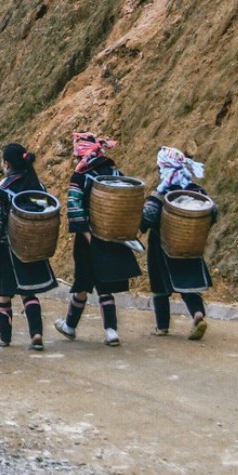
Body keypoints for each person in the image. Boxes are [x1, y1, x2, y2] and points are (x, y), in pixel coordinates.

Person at [54, 132, 142, 346]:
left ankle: (70, 326)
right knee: (105, 284)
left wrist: (87, 235)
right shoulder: (114, 171)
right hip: (111, 236)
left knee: (83, 283)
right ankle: (111, 331)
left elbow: (74, 207)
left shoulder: (80, 175)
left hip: (89, 239)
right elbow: (125, 201)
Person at [0, 143, 59, 350]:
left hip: (7, 250)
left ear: (6, 164)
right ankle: (36, 334)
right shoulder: (38, 186)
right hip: (32, 247)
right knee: (28, 293)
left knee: (4, 295)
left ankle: (4, 338)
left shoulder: (3, 189)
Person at [139, 146, 218, 340]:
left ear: (162, 169)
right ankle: (198, 314)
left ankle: (162, 326)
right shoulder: (197, 192)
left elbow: (148, 218)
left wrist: (139, 225)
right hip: (190, 246)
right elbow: (212, 213)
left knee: (159, 286)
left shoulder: (161, 195)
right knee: (188, 284)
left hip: (162, 248)